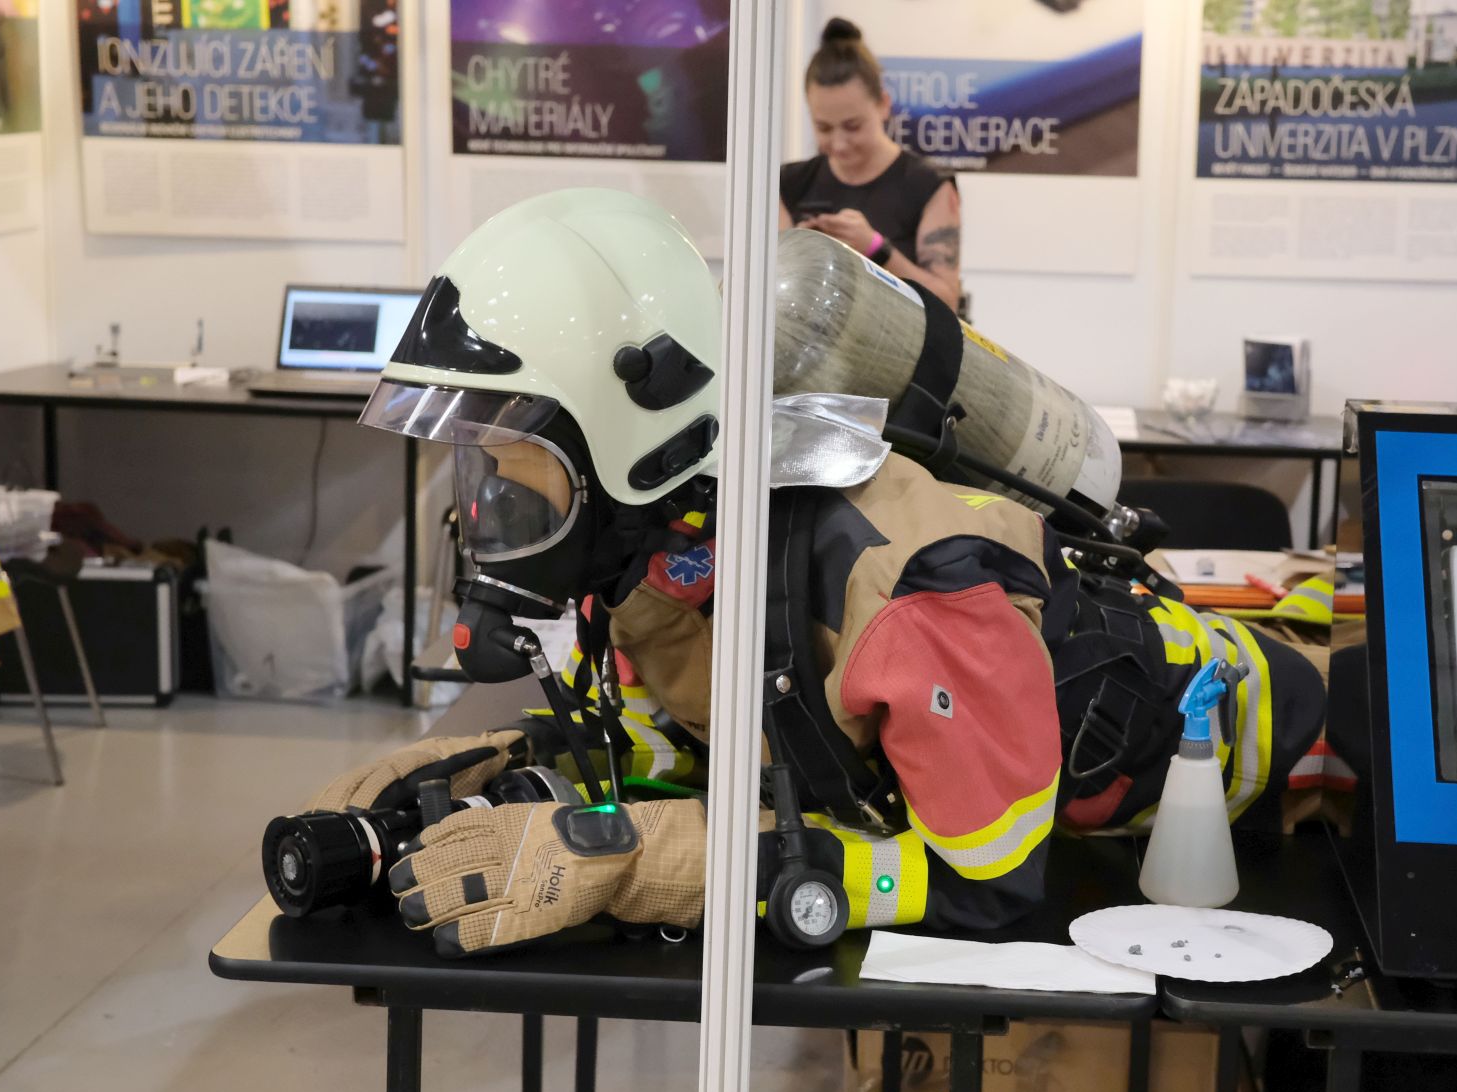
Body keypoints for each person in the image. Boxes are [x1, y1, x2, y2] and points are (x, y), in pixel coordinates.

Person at [300, 188, 1324, 958]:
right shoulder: (669, 546)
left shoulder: (915, 591)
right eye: (480, 465)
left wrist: (649, 863)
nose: (489, 506)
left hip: (1267, 754)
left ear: (625, 440)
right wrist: (521, 769)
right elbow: (721, 737)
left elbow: (989, 885)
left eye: (516, 463)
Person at [779, 18, 963, 312]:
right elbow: (771, 290)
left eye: (852, 126)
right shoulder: (788, 184)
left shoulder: (928, 185)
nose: (839, 143)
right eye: (823, 128)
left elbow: (947, 303)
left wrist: (876, 249)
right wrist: (800, 252)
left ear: (883, 105)